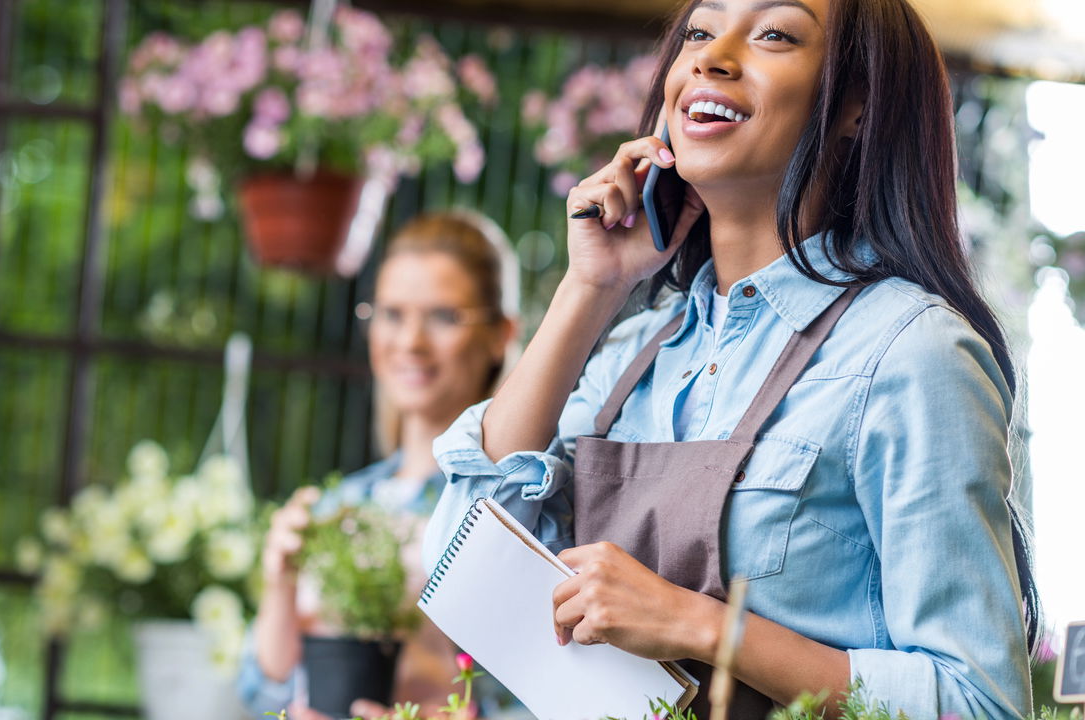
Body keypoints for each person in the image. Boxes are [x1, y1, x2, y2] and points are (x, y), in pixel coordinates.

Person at [422, 0, 1040, 717]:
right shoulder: (632, 353)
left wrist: (700, 625)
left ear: (856, 106)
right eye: (700, 32)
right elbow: (464, 563)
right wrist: (590, 288)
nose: (712, 58)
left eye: (775, 33)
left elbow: (981, 703)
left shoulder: (909, 351)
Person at [240, 210, 519, 720]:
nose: (410, 342)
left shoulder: (517, 508)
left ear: (501, 333)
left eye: (442, 317)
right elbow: (264, 690)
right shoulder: (341, 504)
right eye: (391, 314)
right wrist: (280, 580)